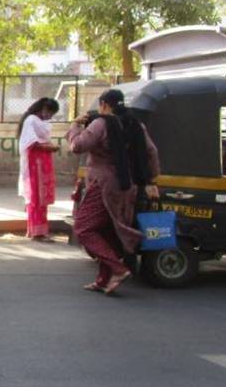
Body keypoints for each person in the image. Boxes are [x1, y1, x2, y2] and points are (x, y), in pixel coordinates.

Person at [67, 89, 160, 295]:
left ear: (103, 105)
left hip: (102, 184)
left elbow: (77, 146)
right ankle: (103, 279)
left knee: (83, 228)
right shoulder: (136, 124)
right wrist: (151, 180)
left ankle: (118, 269)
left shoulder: (101, 124)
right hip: (127, 185)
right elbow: (151, 152)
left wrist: (75, 126)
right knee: (108, 231)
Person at [17, 97, 61, 242]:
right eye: (49, 112)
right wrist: (50, 147)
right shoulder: (31, 120)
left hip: (42, 163)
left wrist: (49, 147)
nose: (50, 116)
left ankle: (34, 230)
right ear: (43, 108)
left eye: (52, 114)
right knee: (37, 197)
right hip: (35, 164)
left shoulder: (39, 122)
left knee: (40, 198)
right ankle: (38, 233)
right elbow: (32, 143)